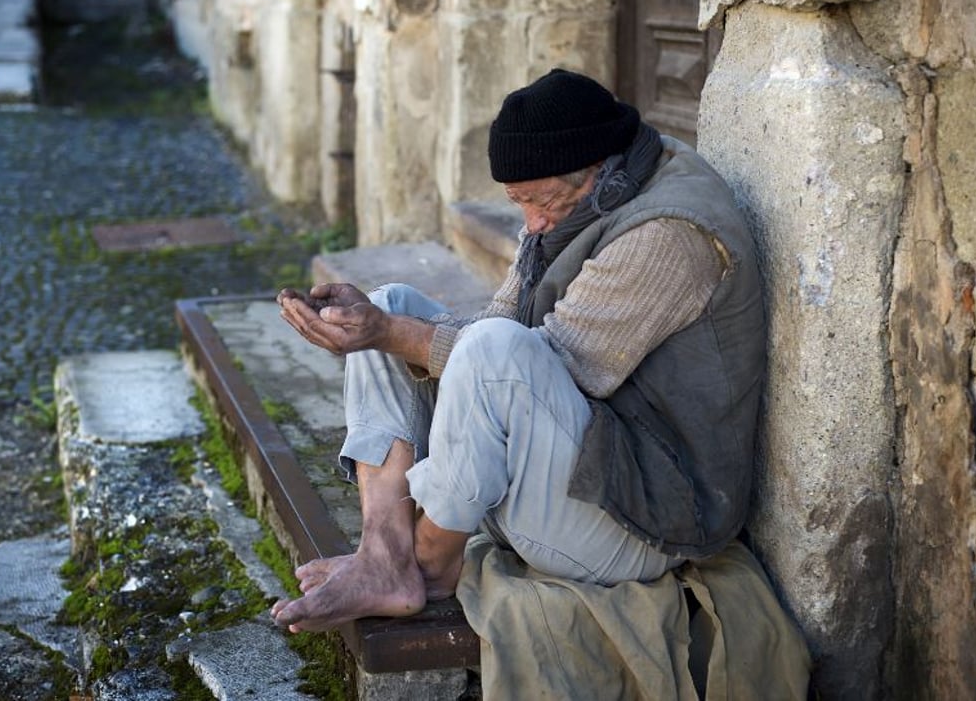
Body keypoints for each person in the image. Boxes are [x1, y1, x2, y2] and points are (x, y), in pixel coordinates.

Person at [270, 68, 765, 634]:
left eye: (540, 200)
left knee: (462, 343)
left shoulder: (669, 234)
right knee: (392, 301)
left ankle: (428, 565)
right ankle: (384, 555)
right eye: (516, 202)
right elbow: (499, 324)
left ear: (598, 172)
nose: (530, 224)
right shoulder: (599, 185)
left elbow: (549, 363)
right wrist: (381, 325)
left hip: (643, 520)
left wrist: (388, 331)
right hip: (580, 461)